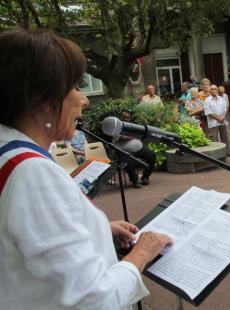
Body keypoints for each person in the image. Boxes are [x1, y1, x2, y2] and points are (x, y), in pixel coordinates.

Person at [0, 28, 172, 309]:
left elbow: (24, 237)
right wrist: (142, 252)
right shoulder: (33, 173)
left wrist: (100, 229)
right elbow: (94, 299)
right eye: (75, 86)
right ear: (43, 99)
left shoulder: (9, 152)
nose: (84, 99)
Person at [114, 111, 157, 188]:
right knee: (129, 162)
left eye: (128, 117)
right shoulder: (116, 127)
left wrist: (139, 135)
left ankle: (145, 176)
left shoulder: (132, 126)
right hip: (124, 151)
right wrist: (135, 136)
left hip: (139, 148)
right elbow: (122, 137)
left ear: (130, 118)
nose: (126, 119)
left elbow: (142, 134)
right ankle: (134, 180)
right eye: (124, 117)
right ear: (120, 118)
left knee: (152, 155)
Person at [204, 85, 230, 156]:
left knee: (225, 137)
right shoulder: (207, 100)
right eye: (212, 89)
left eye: (215, 89)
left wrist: (223, 117)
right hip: (213, 122)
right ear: (210, 91)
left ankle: (226, 152)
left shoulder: (221, 99)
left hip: (222, 121)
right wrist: (218, 118)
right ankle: (216, 155)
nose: (214, 91)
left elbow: (225, 109)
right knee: (214, 139)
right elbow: (209, 112)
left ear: (217, 90)